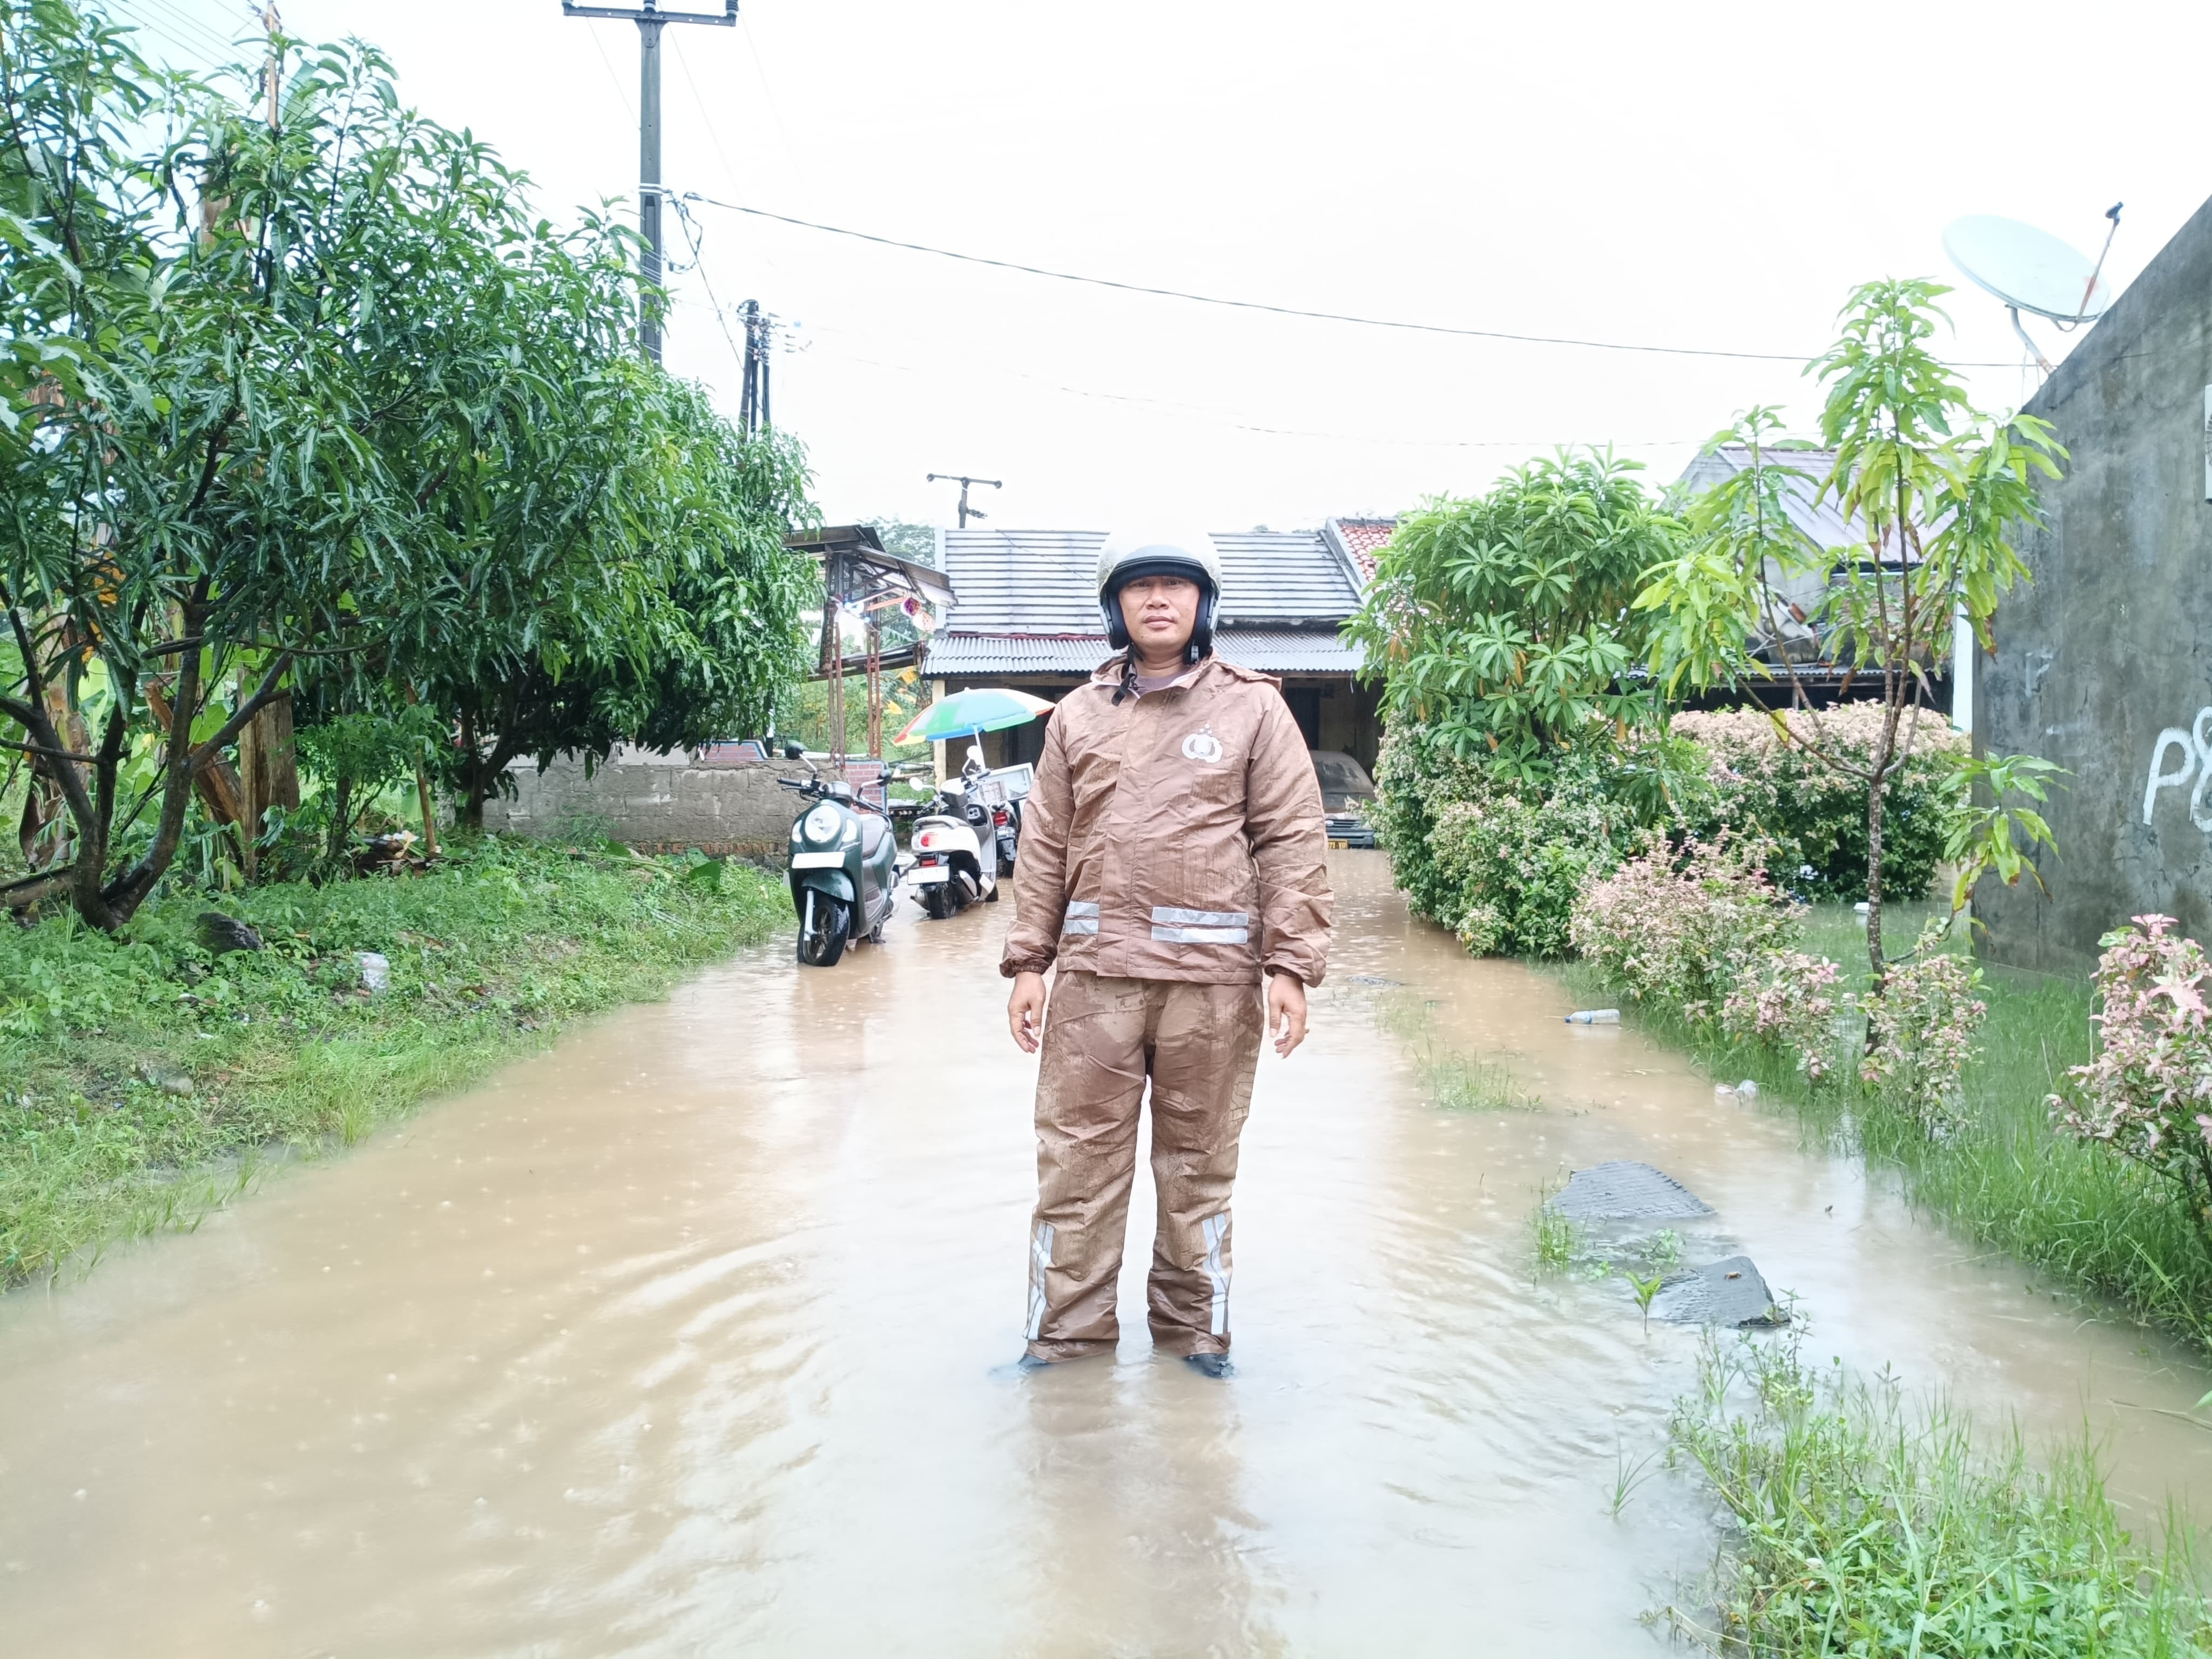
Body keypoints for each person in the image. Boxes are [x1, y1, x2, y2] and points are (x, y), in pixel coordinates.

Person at [1002, 528, 1332, 1377]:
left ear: (1203, 604)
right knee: (1075, 1168)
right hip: (1093, 987)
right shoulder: (1076, 716)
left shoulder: (1254, 708)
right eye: (1140, 586)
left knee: (1199, 1169)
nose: (1158, 599)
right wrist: (1028, 965)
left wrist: (1290, 967)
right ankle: (1065, 1341)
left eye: (1175, 586)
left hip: (1212, 993)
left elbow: (1291, 839)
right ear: (1116, 605)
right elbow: (1042, 846)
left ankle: (1194, 1339)